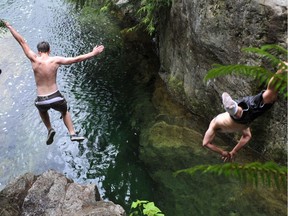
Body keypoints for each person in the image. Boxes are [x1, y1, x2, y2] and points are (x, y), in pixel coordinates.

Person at [5, 21, 104, 145]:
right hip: (56, 96)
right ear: (49, 50)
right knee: (64, 111)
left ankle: (49, 128)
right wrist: (93, 53)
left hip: (42, 99)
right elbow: (76, 59)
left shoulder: (34, 59)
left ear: (38, 51)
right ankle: (72, 133)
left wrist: (10, 27)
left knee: (42, 110)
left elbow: (22, 42)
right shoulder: (56, 60)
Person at [202, 63, 287, 162]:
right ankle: (234, 107)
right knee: (272, 96)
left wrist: (222, 152)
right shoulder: (241, 127)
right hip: (245, 113)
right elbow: (247, 137)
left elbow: (205, 143)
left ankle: (282, 68)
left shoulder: (214, 124)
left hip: (244, 111)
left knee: (269, 93)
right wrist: (233, 151)